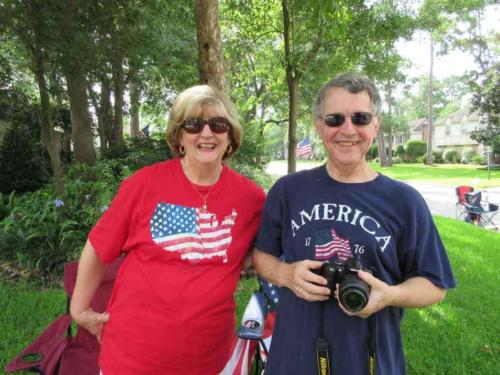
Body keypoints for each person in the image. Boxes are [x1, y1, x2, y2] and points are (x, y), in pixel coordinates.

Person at [253, 73, 456, 375]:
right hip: (292, 359)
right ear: (319, 125)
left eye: (360, 118)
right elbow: (262, 255)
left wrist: (390, 295)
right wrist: (284, 273)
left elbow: (435, 285)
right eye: (335, 119)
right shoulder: (288, 190)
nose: (348, 130)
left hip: (370, 361)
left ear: (376, 124)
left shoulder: (404, 201)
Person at [70, 85, 265, 375]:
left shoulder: (251, 198)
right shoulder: (143, 185)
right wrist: (79, 310)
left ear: (231, 135)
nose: (207, 133)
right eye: (194, 124)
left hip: (210, 358)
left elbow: (256, 254)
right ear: (179, 135)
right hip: (132, 357)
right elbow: (99, 247)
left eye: (218, 124)